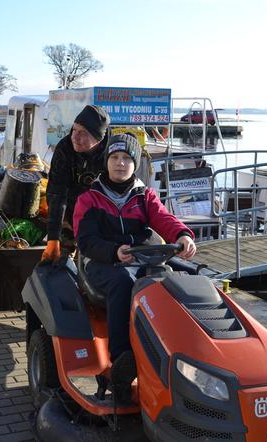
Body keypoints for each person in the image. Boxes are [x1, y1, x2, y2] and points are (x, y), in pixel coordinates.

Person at [73, 133, 196, 402]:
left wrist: (182, 235)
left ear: (134, 163)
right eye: (115, 158)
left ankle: (173, 351)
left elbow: (164, 218)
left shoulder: (144, 196)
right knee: (123, 283)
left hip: (140, 258)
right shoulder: (89, 199)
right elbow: (85, 241)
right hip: (101, 262)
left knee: (166, 282)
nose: (120, 163)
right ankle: (121, 361)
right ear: (106, 162)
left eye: (126, 158)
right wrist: (113, 251)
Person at [41, 105, 111, 262]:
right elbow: (56, 193)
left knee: (93, 265)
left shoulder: (112, 154)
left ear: (98, 139)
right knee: (60, 262)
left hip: (100, 218)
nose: (75, 137)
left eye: (83, 133)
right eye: (74, 130)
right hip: (70, 210)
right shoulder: (65, 148)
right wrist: (53, 238)